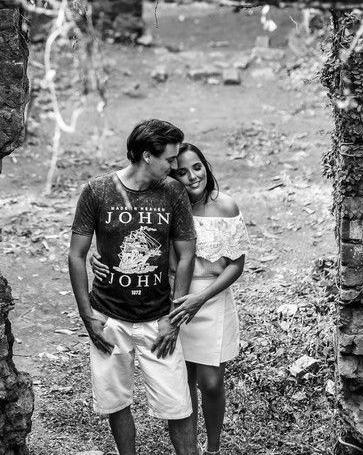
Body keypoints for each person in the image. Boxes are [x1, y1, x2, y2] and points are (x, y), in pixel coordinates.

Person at [93, 142, 248, 455]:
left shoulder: (225, 206)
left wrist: (200, 298)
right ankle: (189, 446)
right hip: (173, 300)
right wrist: (101, 259)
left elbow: (236, 265)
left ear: (206, 167)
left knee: (211, 383)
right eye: (182, 172)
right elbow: (134, 242)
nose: (192, 177)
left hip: (211, 299)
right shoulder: (165, 204)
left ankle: (213, 447)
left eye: (197, 167)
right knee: (182, 382)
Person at [68, 119, 200, 455]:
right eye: (170, 159)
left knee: (178, 404)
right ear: (146, 156)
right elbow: (76, 255)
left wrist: (174, 317)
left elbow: (186, 256)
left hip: (159, 318)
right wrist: (87, 315)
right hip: (109, 316)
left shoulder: (173, 192)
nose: (175, 165)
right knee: (115, 400)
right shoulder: (97, 191)